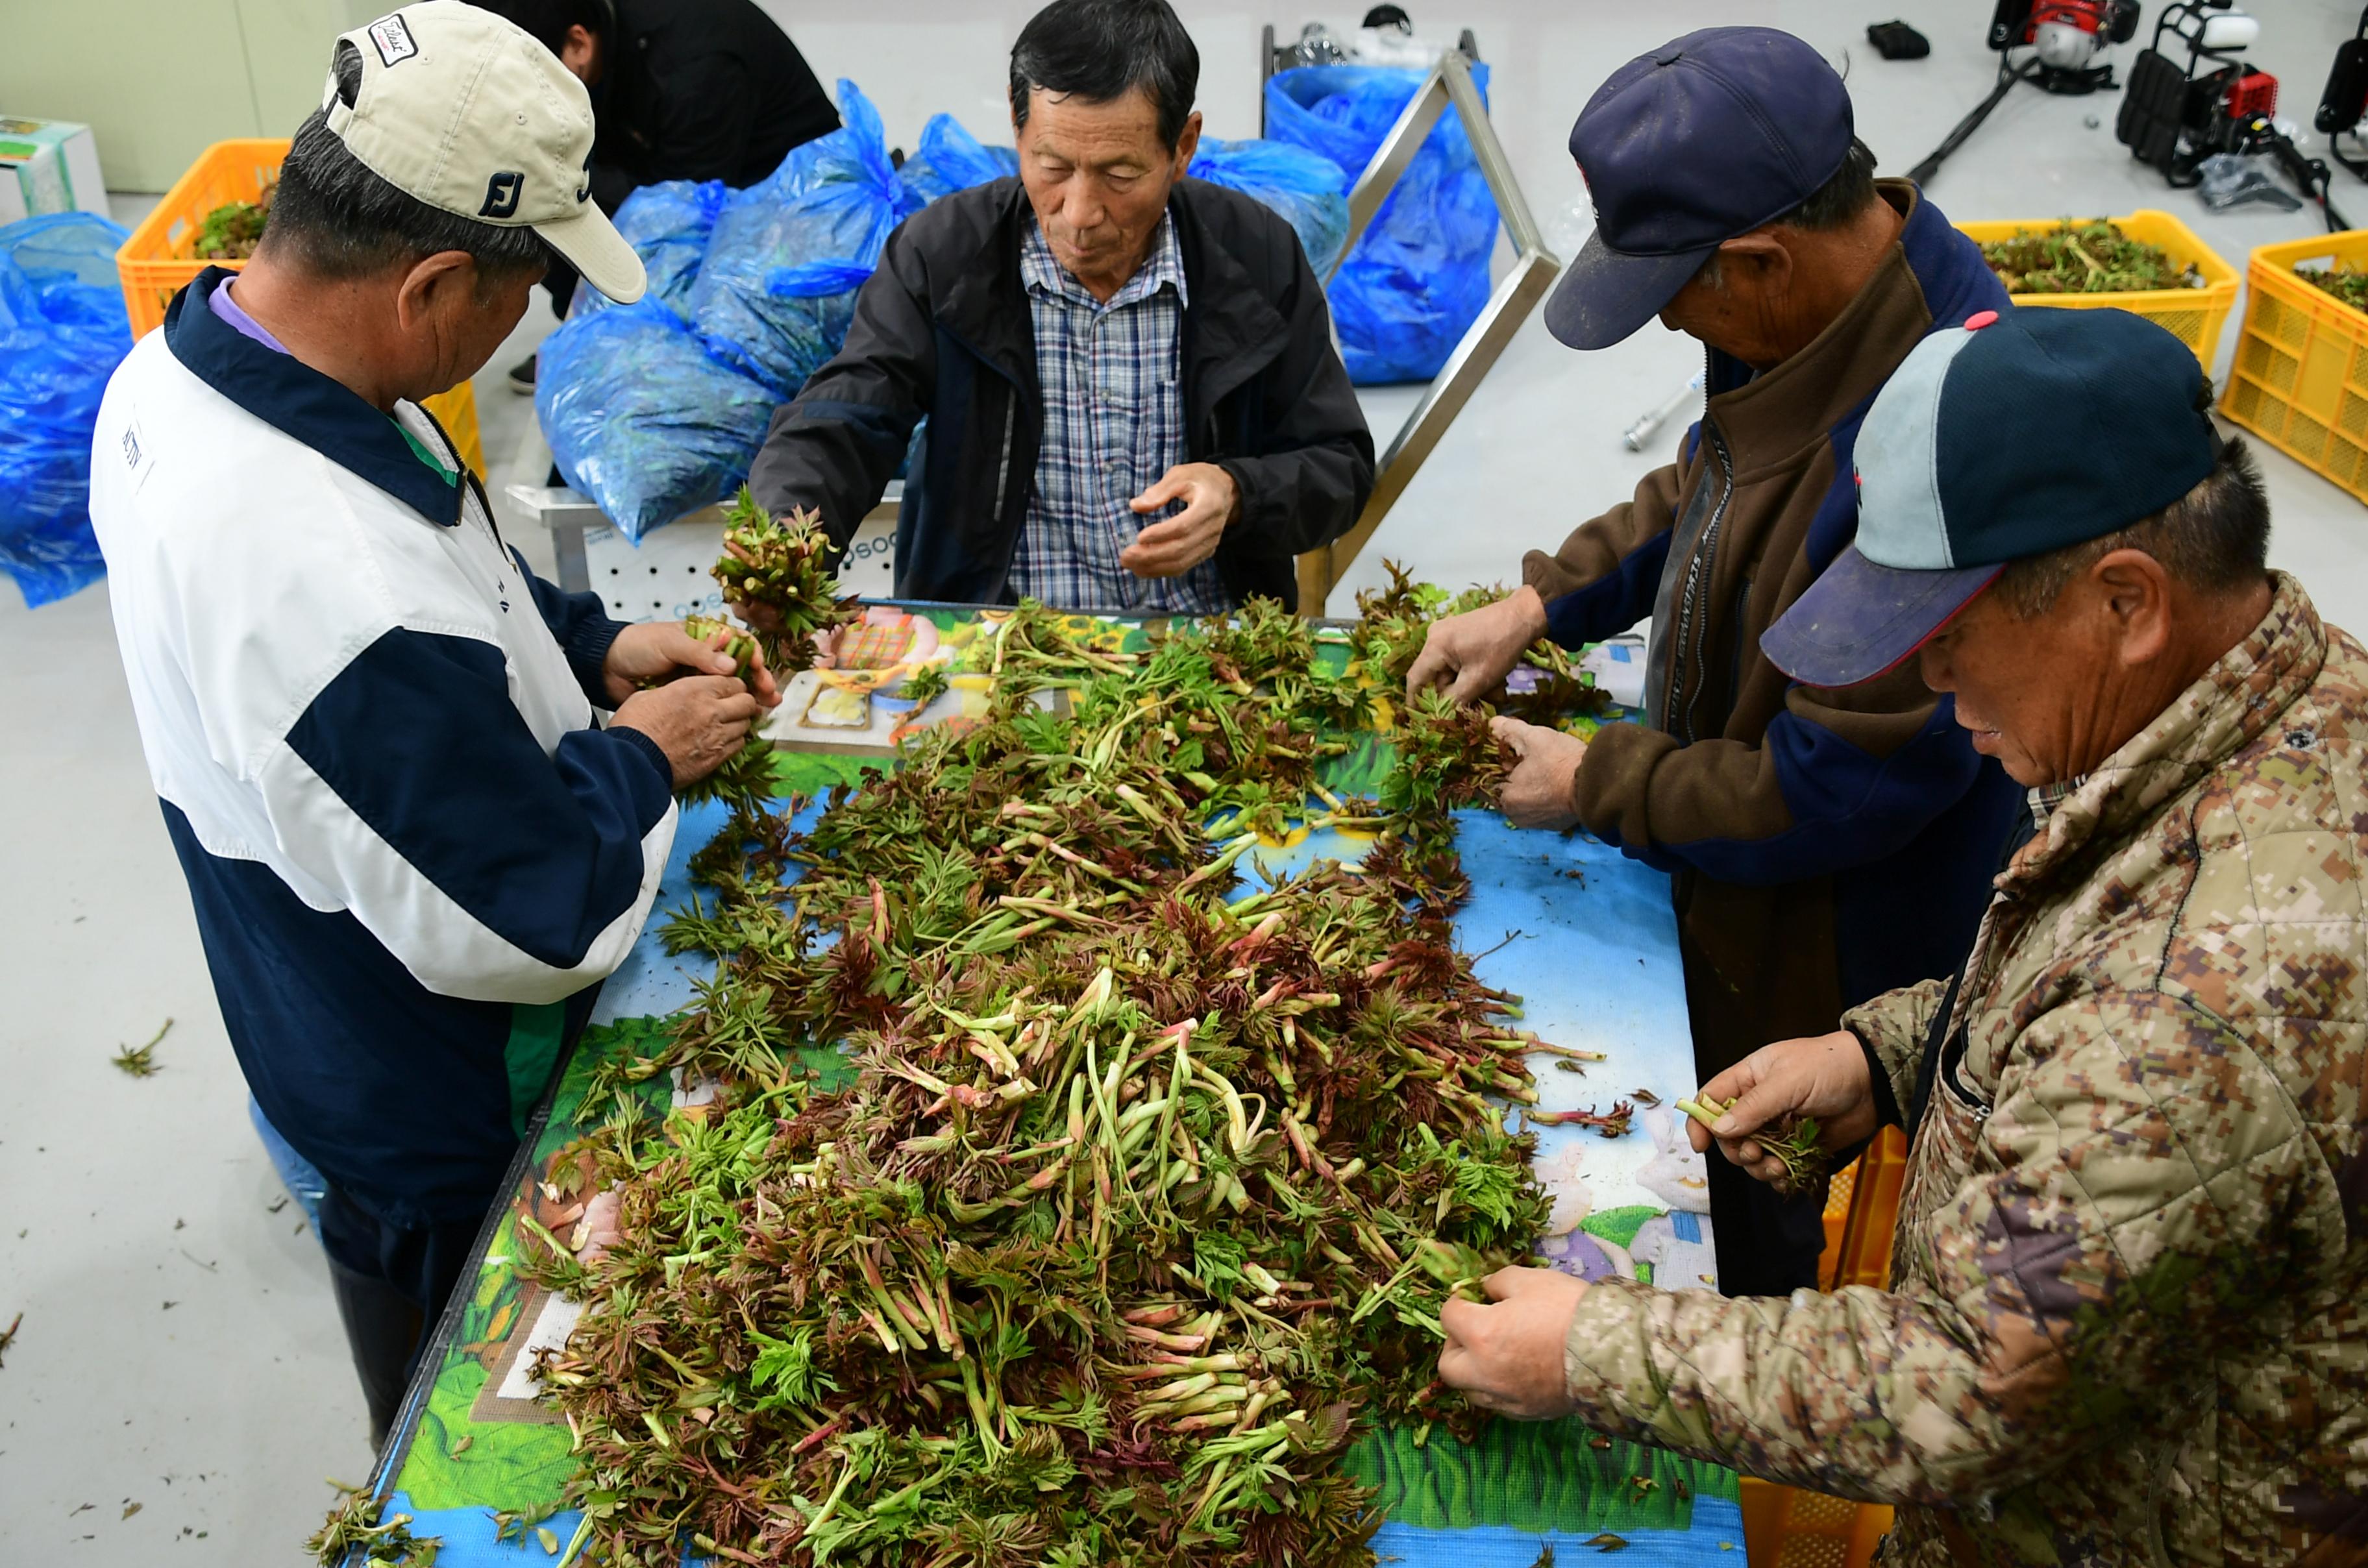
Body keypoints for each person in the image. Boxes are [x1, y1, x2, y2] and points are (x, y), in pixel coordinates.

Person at [1436, 306, 2368, 1568]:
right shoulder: (2289, 704)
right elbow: (2086, 980)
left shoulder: (2202, 1008)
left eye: (1954, 637)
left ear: (2127, 603)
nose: (1930, 684)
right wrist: (1885, 1053)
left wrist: (1593, 1348)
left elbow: (1963, 1381)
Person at [86, 1, 778, 1447]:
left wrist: (592, 646)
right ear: (434, 282)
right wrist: (645, 753)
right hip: (426, 1073)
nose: (528, 324)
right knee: (491, 1412)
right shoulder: (317, 586)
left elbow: (443, 564)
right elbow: (529, 924)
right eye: (526, 293)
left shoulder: (205, 362)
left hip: (308, 951)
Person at [1404, 27, 2019, 1296]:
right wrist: (1544, 598)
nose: (1673, 320)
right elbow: (1716, 468)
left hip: (1843, 929)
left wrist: (1597, 783)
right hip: (1731, 819)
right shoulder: (1808, 304)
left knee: (1776, 1195)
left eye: (1678, 289)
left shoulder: (1947, 433)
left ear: (1762, 258)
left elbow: (1834, 789)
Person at [743, 0, 1374, 615]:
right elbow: (848, 414)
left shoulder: (1255, 256)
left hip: (1206, 648)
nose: (1079, 214)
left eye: (1119, 174)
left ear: (1182, 147)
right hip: (993, 653)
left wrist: (1238, 494)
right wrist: (781, 548)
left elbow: (1337, 466)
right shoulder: (944, 255)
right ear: (1019, 135)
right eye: (1052, 166)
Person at [477, 0, 841, 379]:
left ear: (578, 44)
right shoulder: (604, 36)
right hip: (687, 157)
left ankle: (624, 349)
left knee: (554, 193)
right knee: (533, 192)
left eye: (529, 82)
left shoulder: (692, 72)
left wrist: (552, 172)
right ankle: (589, 333)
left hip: (789, 202)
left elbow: (679, 220)